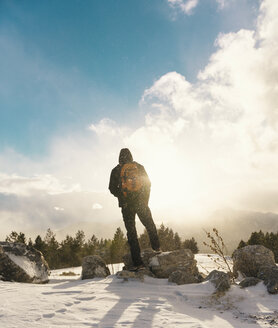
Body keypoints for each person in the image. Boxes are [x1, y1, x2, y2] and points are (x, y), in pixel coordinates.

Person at [109, 148, 161, 270]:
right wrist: (144, 201)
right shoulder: (139, 167)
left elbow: (111, 188)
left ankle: (138, 263)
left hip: (127, 206)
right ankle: (157, 248)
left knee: (132, 232)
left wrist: (122, 196)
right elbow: (148, 184)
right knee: (149, 225)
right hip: (141, 203)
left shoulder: (116, 170)